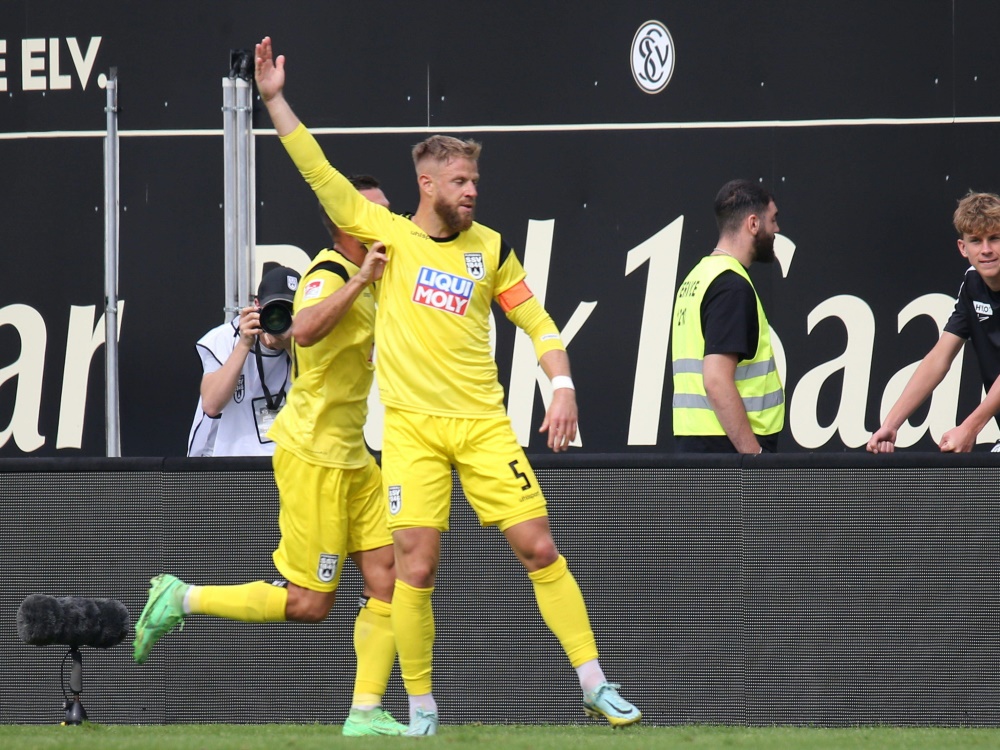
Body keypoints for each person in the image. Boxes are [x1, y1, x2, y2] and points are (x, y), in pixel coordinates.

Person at [254, 35, 641, 736]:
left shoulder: (490, 247)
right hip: (411, 432)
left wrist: (562, 387)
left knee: (539, 546)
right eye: (461, 182)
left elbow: (538, 321)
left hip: (484, 426)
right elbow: (320, 173)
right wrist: (276, 100)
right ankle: (422, 709)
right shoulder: (389, 237)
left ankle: (594, 683)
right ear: (428, 185)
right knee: (416, 568)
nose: (472, 192)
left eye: (474, 182)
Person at [135, 182, 408, 737]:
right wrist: (361, 281)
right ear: (345, 221)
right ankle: (180, 597)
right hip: (313, 458)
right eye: (375, 212)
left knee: (391, 579)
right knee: (310, 605)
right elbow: (302, 329)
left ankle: (363, 713)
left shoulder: (382, 272)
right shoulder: (330, 274)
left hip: (354, 457)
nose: (389, 220)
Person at [868, 191, 1000, 454]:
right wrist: (892, 424)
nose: (986, 249)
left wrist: (970, 428)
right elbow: (939, 358)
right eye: (976, 241)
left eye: (995, 238)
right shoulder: (972, 285)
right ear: (963, 248)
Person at [671, 179, 785, 454]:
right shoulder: (731, 285)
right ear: (753, 223)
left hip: (700, 446)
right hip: (728, 454)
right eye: (773, 220)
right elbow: (716, 380)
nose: (777, 229)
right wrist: (754, 457)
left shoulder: (698, 277)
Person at [186, 264, 299, 457]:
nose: (281, 318)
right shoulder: (225, 339)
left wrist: (292, 346)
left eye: (291, 310)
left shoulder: (307, 343)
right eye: (274, 309)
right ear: (257, 306)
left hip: (282, 463)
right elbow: (211, 405)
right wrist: (244, 345)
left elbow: (321, 402)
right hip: (226, 462)